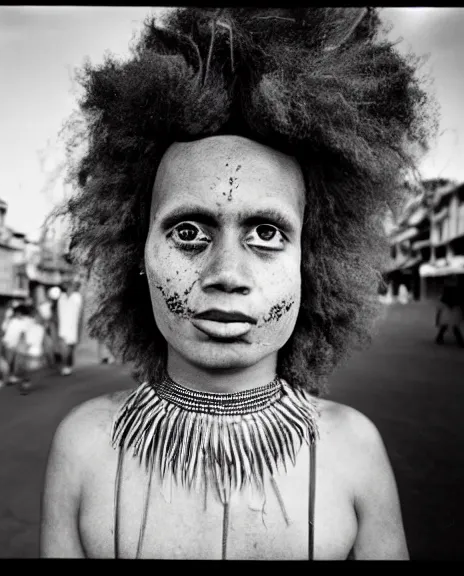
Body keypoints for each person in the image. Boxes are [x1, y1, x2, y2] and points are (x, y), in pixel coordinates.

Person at [40, 8, 434, 559]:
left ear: (312, 263)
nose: (227, 273)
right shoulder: (82, 448)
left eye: (267, 232)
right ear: (138, 253)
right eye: (187, 230)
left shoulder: (354, 453)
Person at [0, 303, 28, 391]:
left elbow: (23, 334)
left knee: (12, 362)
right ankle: (0, 380)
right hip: (7, 343)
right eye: (17, 313)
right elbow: (4, 328)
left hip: (15, 345)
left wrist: (21, 345)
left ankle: (11, 377)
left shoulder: (24, 321)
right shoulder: (11, 320)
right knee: (4, 362)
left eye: (20, 313)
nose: (19, 315)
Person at [56, 280, 83, 376]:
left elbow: (80, 314)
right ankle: (65, 366)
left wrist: (79, 328)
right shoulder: (61, 297)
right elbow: (57, 312)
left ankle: (69, 365)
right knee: (64, 348)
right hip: (63, 326)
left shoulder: (77, 297)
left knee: (70, 348)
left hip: (73, 326)